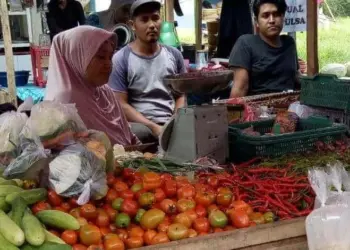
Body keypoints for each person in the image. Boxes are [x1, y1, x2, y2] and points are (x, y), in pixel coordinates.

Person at [44, 26, 139, 146]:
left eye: (110, 57)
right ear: (76, 56)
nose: (108, 64)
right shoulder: (64, 101)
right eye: (100, 57)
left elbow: (128, 135)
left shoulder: (104, 90)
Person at [108, 0, 186, 143]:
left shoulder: (174, 55)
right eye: (144, 20)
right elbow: (121, 104)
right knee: (140, 132)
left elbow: (181, 95)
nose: (152, 25)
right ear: (132, 25)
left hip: (171, 121)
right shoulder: (121, 59)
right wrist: (153, 127)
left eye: (155, 18)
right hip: (141, 125)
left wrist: (177, 121)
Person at [229, 0, 300, 97]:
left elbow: (295, 77)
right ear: (256, 21)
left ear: (283, 17)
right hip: (257, 108)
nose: (272, 20)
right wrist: (235, 112)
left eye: (276, 14)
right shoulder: (245, 43)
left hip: (289, 107)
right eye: (265, 15)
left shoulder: (289, 43)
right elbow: (240, 89)